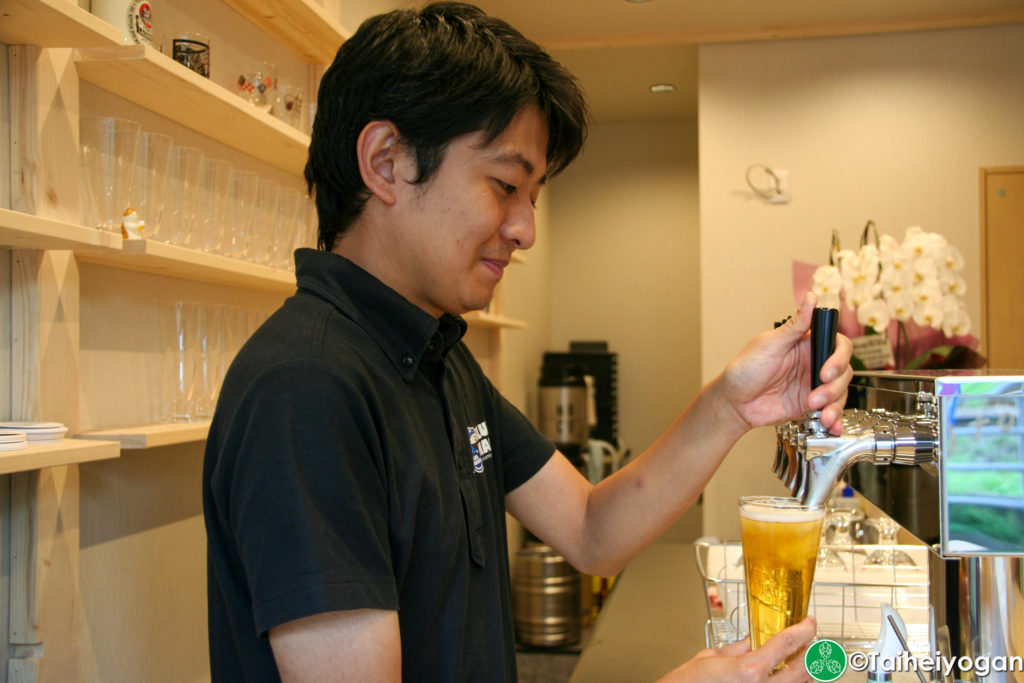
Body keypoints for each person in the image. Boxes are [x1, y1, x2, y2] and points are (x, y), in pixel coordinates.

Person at [201, 2, 853, 681]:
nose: (525, 230)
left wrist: (730, 404)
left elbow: (592, 528)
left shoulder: (437, 361)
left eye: (532, 197)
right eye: (505, 185)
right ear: (386, 162)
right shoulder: (306, 388)